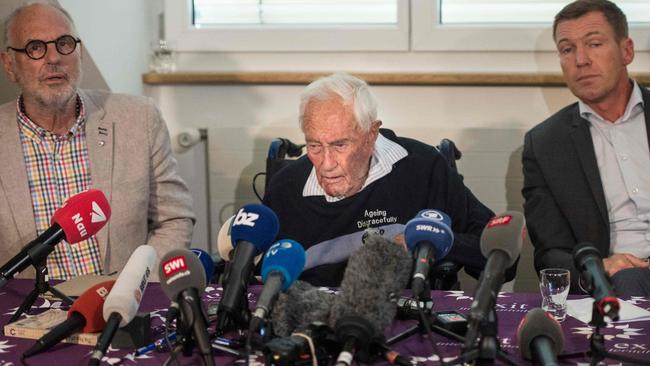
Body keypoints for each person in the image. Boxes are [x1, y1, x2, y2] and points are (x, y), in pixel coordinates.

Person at [264, 72, 516, 287]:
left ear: (371, 134)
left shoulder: (423, 167)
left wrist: (428, 239)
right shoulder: (286, 187)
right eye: (314, 145)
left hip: (403, 316)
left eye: (340, 145)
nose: (327, 163)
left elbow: (498, 255)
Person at [0, 3, 194, 280]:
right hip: (29, 313)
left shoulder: (138, 119)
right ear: (10, 65)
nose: (54, 57)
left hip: (123, 306)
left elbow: (173, 219)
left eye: (64, 43)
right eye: (35, 47)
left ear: (78, 52)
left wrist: (136, 288)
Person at [523, 0, 650, 295]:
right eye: (567, 49)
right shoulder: (545, 144)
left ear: (626, 51)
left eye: (594, 44)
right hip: (620, 282)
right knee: (630, 281)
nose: (581, 60)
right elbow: (550, 253)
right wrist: (600, 266)